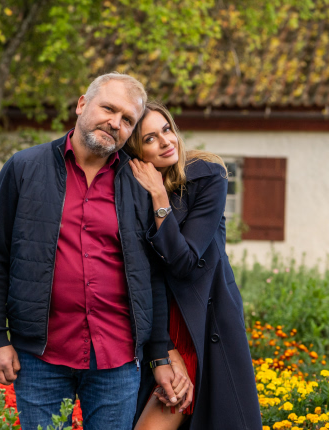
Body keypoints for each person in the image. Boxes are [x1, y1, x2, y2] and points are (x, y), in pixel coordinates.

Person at [0, 74, 187, 430]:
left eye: (127, 120)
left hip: (117, 359)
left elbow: (150, 275)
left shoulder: (139, 182)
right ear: (82, 104)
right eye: (108, 109)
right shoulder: (24, 168)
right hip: (40, 356)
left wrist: (158, 355)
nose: (115, 123)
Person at [126, 101, 262, 430]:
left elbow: (184, 262)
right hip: (156, 326)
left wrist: (159, 197)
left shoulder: (206, 176)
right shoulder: (128, 193)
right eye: (150, 139)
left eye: (167, 129)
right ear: (135, 154)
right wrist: (162, 347)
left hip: (202, 324)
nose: (165, 141)